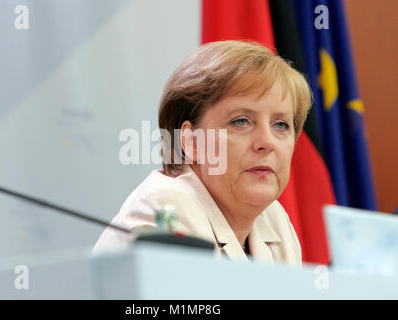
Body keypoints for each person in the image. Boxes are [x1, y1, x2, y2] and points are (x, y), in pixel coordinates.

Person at [93, 40, 312, 265]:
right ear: (192, 142)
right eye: (240, 121)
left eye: (281, 125)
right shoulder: (165, 208)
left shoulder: (273, 220)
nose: (266, 142)